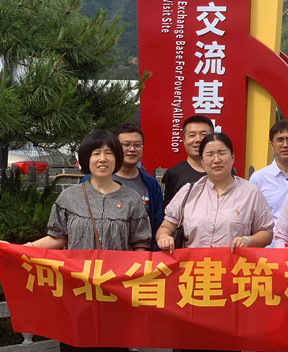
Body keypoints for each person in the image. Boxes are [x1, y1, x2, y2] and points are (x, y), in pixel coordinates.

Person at [21, 130, 151, 352]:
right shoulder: (69, 197)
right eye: (96, 153)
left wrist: (135, 280)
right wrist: (23, 249)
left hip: (115, 295)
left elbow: (140, 244)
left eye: (109, 153)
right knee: (75, 345)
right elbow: (57, 238)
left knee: (114, 345)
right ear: (86, 158)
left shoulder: (131, 199)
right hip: (76, 293)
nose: (103, 159)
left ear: (117, 157)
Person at [156, 132, 273, 253]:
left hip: (235, 263)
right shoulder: (189, 191)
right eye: (210, 154)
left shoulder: (251, 192)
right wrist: (164, 237)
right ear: (202, 161)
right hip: (194, 263)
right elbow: (165, 227)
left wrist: (248, 240)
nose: (216, 160)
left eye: (222, 153)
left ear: (232, 157)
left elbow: (267, 232)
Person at [80, 124, 164, 250]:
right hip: (90, 256)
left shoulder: (151, 184)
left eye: (137, 145)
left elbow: (157, 226)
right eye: (126, 144)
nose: (132, 149)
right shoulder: (90, 181)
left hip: (135, 257)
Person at [161, 115, 214, 207]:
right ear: (184, 140)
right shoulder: (173, 174)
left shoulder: (224, 171)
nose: (198, 139)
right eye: (192, 135)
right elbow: (168, 211)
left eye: (204, 135)